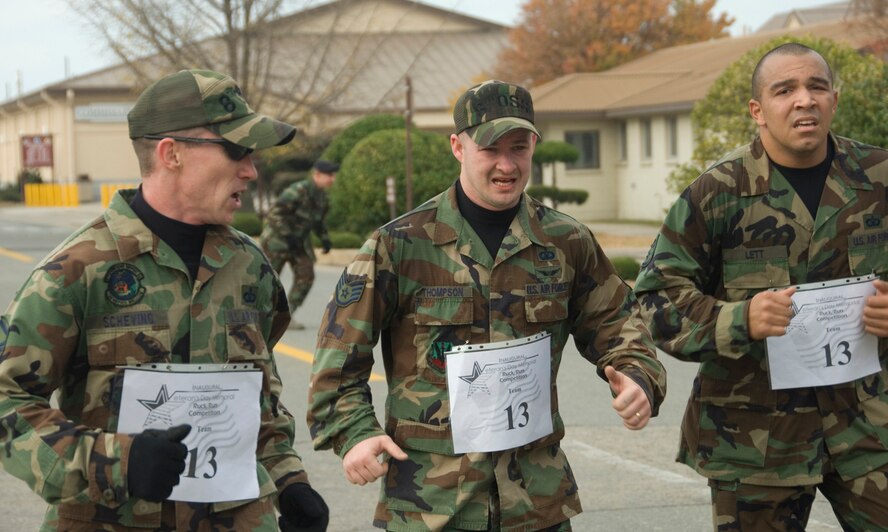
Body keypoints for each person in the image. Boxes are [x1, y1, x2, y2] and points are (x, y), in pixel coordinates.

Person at [306, 79, 667, 531]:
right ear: (457, 146)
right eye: (490, 149)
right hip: (432, 506)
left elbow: (618, 323)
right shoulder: (398, 245)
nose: (506, 164)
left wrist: (637, 376)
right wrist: (356, 434)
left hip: (536, 503)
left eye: (519, 148)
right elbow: (337, 363)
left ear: (535, 145)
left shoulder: (566, 241)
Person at [0, 69, 329, 531]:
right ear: (171, 153)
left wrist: (289, 480)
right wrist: (114, 463)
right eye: (236, 151)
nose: (251, 170)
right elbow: (8, 398)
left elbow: (258, 393)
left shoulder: (249, 266)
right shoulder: (76, 270)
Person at [634, 43, 888, 531]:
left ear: (834, 97)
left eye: (816, 86)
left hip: (869, 428)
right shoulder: (717, 193)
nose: (804, 100)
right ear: (758, 110)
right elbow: (655, 298)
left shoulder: (878, 178)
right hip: (754, 441)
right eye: (784, 89)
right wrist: (739, 319)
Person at [260, 159, 338, 330]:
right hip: (277, 242)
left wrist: (325, 239)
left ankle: (286, 315)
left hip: (299, 243)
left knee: (306, 276)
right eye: (329, 175)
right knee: (268, 280)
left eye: (333, 175)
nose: (332, 179)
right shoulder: (298, 190)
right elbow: (275, 214)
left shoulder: (322, 197)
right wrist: (287, 235)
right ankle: (260, 316)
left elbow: (318, 222)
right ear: (317, 174)